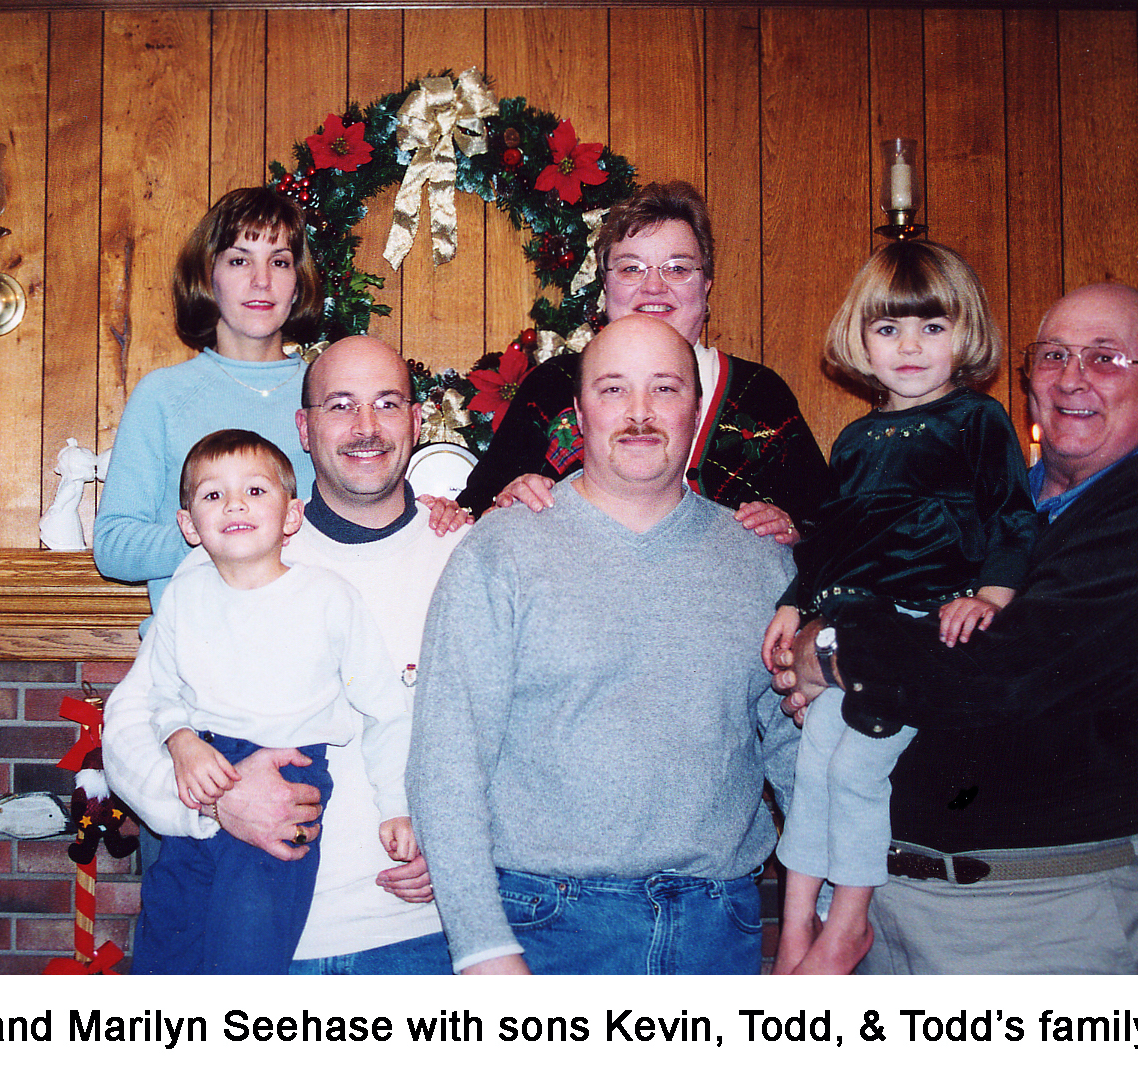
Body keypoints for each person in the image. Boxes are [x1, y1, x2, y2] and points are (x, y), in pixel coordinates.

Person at [773, 283, 1138, 974]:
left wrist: (830, 650)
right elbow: (868, 566)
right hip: (897, 901)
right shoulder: (984, 506)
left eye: (1106, 359)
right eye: (1052, 355)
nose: (1071, 378)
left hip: (1059, 911)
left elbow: (1000, 672)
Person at [408, 314, 799, 975]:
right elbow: (446, 764)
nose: (640, 413)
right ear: (579, 413)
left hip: (717, 927)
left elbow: (796, 754)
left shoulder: (760, 559)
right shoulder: (500, 551)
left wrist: (812, 917)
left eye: (665, 389)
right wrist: (481, 947)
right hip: (544, 926)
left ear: (696, 408)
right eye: (614, 389)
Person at [104, 335, 464, 974]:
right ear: (304, 426)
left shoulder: (466, 553)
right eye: (339, 405)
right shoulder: (226, 560)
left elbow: (523, 737)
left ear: (416, 421)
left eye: (387, 403)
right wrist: (214, 804)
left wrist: (465, 843)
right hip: (254, 935)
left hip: (419, 938)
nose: (365, 426)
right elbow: (132, 722)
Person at [761, 241, 1037, 975]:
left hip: (920, 629)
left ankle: (849, 922)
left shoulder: (976, 422)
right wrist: (795, 603)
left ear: (964, 333)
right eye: (888, 329)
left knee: (855, 771)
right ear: (860, 339)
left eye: (931, 327)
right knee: (812, 766)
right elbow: (831, 545)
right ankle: (798, 926)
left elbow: (1013, 517)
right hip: (853, 625)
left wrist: (987, 594)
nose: (909, 346)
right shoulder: (854, 441)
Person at [457, 180, 832, 542]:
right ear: (605, 286)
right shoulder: (554, 384)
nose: (653, 287)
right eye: (631, 268)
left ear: (706, 286)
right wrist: (508, 498)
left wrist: (793, 529)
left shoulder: (759, 393)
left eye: (678, 268)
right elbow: (476, 510)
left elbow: (830, 527)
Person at [94, 187, 324, 614]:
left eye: (279, 262)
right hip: (192, 663)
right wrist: (224, 533)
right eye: (240, 260)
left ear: (297, 284)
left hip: (307, 651)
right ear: (207, 277)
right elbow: (114, 547)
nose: (262, 280)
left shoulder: (327, 394)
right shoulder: (162, 396)